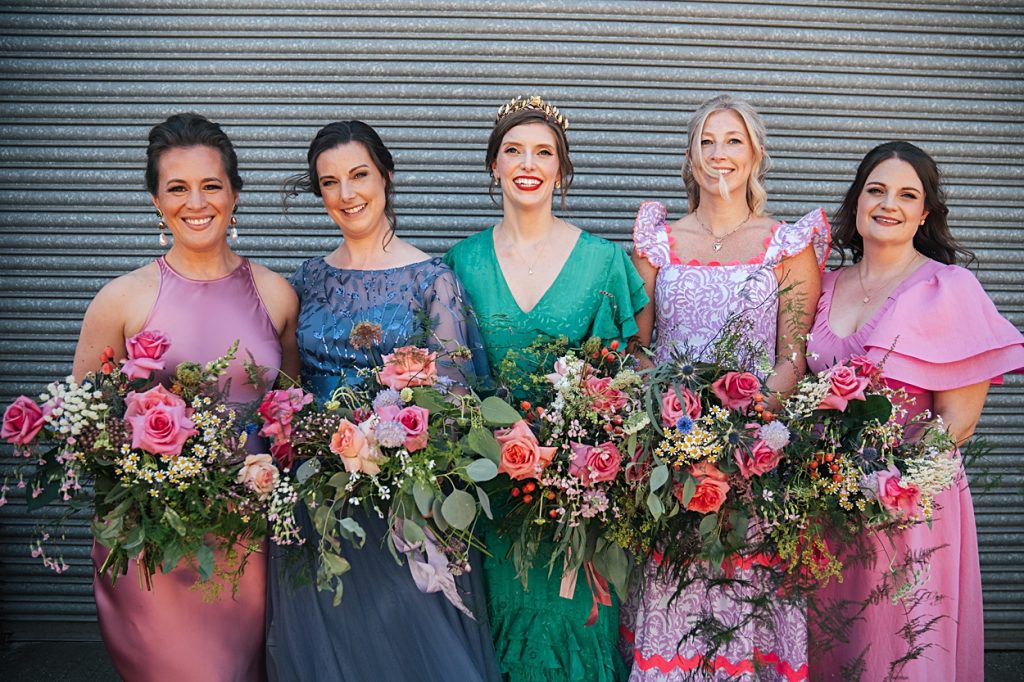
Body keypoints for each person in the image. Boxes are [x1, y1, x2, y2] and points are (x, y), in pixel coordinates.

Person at [264, 120, 500, 682]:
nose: (347, 195)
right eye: (329, 182)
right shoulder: (307, 281)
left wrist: (395, 455)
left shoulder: (432, 280)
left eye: (359, 175)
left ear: (386, 176)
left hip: (406, 502)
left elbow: (453, 398)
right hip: (319, 502)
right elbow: (292, 391)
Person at [72, 112, 300, 682]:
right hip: (156, 548)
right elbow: (82, 431)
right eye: (177, 188)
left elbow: (288, 419)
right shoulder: (120, 299)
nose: (195, 203)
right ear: (156, 200)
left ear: (235, 194)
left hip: (247, 545)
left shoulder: (275, 295)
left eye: (211, 186)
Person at [620, 94, 829, 680]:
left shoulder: (787, 244)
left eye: (733, 140)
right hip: (671, 454)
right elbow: (638, 348)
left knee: (745, 610)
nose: (719, 154)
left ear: (755, 153)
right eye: (706, 141)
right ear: (690, 158)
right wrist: (669, 427)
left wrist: (750, 429)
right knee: (675, 595)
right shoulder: (657, 242)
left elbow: (795, 353)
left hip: (755, 458)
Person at [445, 95, 649, 682]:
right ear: (494, 167)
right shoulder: (459, 262)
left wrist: (581, 445)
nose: (528, 163)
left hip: (574, 499)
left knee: (574, 634)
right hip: (489, 494)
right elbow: (450, 377)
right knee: (494, 635)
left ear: (561, 170)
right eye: (514, 151)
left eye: (544, 152)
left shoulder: (604, 262)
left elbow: (624, 379)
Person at [805, 141, 1024, 680]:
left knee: (898, 651)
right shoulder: (824, 286)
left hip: (907, 507)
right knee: (827, 647)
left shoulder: (949, 288)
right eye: (876, 190)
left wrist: (887, 481)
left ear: (924, 213)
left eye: (907, 195)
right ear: (856, 203)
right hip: (824, 503)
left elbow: (959, 422)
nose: (889, 204)